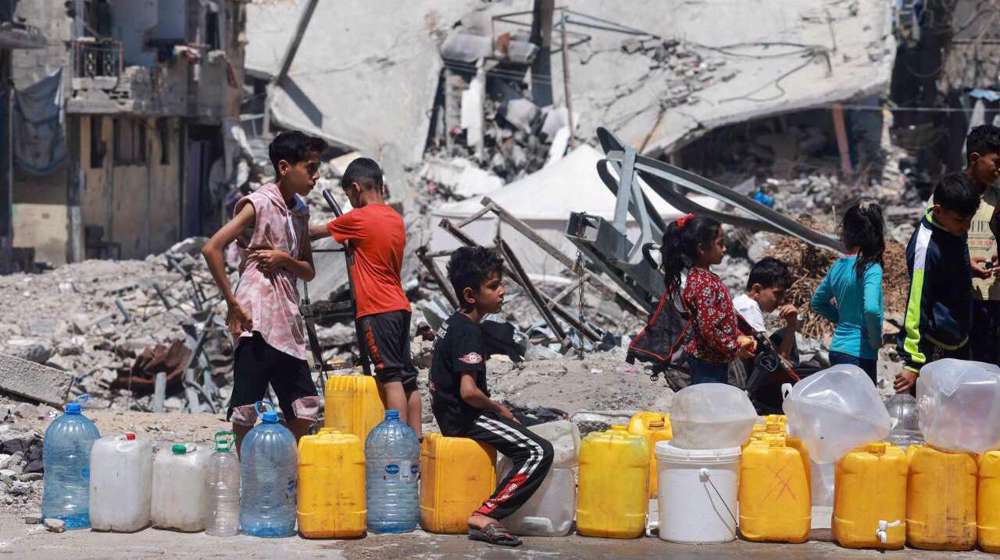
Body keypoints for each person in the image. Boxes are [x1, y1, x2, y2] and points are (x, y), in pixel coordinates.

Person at [201, 131, 326, 452]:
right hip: (254, 316)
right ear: (285, 167)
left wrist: (284, 259)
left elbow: (308, 270)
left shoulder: (300, 211)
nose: (316, 176)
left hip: (286, 316)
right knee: (246, 408)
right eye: (310, 168)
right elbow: (212, 248)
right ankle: (246, 477)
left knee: (303, 407)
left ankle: (285, 470)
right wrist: (231, 303)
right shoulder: (258, 204)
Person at [429, 246, 553, 548]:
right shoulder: (468, 332)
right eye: (493, 286)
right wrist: (497, 407)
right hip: (464, 417)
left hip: (454, 412)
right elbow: (469, 392)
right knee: (539, 451)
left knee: (528, 426)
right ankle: (487, 514)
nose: (502, 291)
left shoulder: (456, 322)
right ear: (471, 295)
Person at [310, 158, 422, 437]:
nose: (351, 202)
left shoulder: (358, 219)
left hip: (376, 309)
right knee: (408, 380)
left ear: (356, 188)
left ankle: (397, 441)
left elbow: (314, 233)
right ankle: (416, 440)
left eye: (350, 196)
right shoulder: (395, 219)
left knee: (390, 379)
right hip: (399, 305)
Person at [895, 173, 981, 393]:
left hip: (959, 338)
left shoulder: (952, 227)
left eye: (970, 219)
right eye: (961, 221)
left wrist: (967, 267)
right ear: (939, 210)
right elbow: (916, 305)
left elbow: (948, 264)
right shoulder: (925, 247)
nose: (966, 227)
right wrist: (913, 362)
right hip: (935, 346)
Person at [661, 213, 756, 384]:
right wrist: (735, 347)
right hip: (707, 363)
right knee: (710, 406)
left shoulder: (706, 278)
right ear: (701, 249)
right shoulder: (703, 284)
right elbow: (708, 329)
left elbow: (720, 319)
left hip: (714, 359)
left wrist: (739, 336)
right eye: (720, 244)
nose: (725, 249)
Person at [811, 201, 885, 383]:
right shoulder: (872, 268)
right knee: (862, 410)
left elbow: (817, 303)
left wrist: (840, 318)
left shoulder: (837, 266)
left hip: (837, 351)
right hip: (860, 355)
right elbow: (871, 309)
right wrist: (876, 340)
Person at [962, 125, 1000, 363]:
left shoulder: (997, 198)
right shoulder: (946, 196)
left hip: (994, 299)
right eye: (996, 162)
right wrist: (965, 265)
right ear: (975, 159)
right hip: (959, 299)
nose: (999, 169)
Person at [733, 257, 798, 360]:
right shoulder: (750, 309)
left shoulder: (739, 302)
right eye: (777, 294)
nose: (781, 301)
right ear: (757, 290)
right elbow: (778, 362)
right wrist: (791, 326)